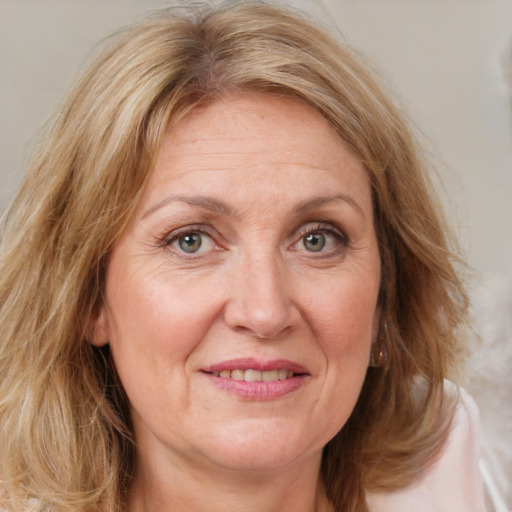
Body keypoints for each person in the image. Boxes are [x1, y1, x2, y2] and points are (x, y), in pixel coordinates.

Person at [0, 2, 487, 511]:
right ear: (88, 298)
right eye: (191, 240)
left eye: (317, 239)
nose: (265, 311)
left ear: (386, 299)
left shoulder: (449, 472)